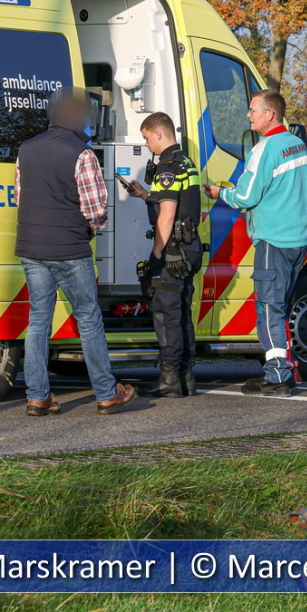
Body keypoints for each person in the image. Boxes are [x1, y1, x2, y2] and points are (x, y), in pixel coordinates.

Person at [15, 89, 135, 416]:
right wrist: (95, 226)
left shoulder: (25, 150)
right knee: (89, 319)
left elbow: (19, 197)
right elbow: (95, 209)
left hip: (31, 248)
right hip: (69, 249)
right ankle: (107, 394)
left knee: (38, 320)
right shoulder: (82, 154)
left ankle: (37, 396)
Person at [202, 89, 307, 396]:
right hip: (299, 239)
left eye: (253, 110)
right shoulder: (296, 145)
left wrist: (219, 193)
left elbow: (246, 196)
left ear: (270, 114)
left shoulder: (265, 149)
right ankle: (284, 369)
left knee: (268, 308)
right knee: (281, 306)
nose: (248, 115)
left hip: (274, 239)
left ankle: (278, 376)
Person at [126, 111, 203, 398]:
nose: (147, 145)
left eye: (147, 138)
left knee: (166, 314)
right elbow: (180, 202)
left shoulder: (167, 166)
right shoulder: (187, 163)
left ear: (159, 133)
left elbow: (167, 215)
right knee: (182, 312)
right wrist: (147, 196)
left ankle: (169, 380)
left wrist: (157, 251)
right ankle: (186, 377)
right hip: (189, 247)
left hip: (172, 251)